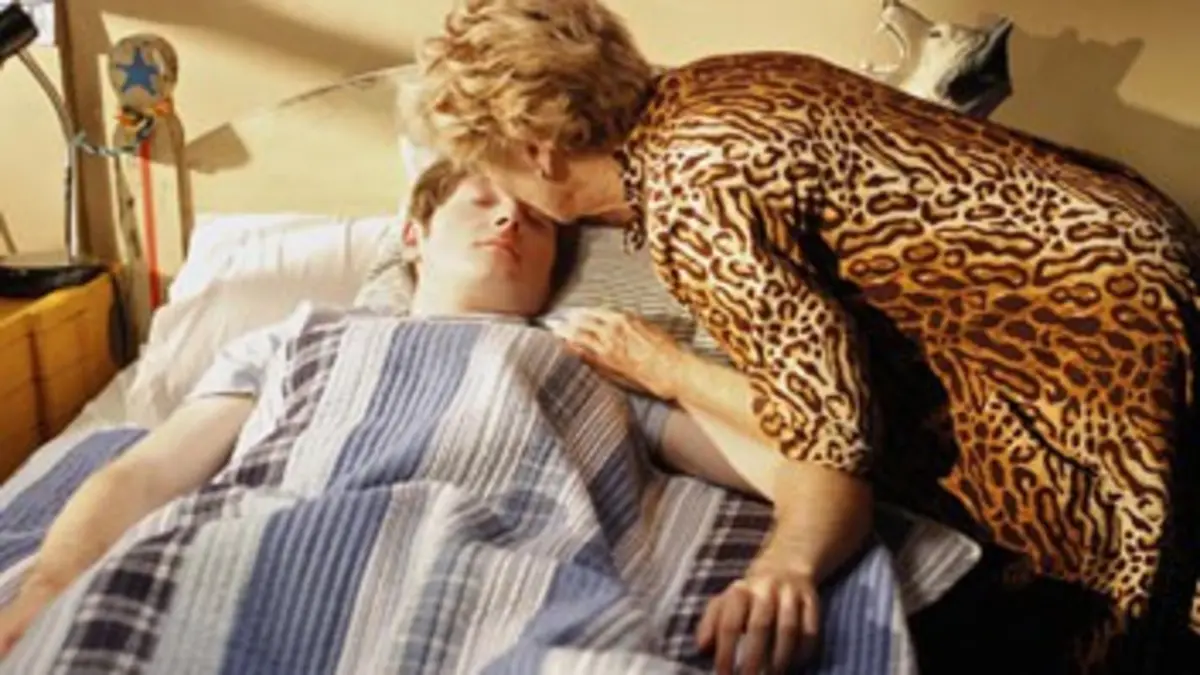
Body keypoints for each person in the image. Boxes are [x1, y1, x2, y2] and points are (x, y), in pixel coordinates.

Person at [402, 0, 1200, 669]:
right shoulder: (712, 85)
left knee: (1097, 601)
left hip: (1090, 329)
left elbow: (836, 427)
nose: (507, 199)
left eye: (493, 168)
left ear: (539, 153)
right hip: (1130, 242)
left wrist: (667, 369)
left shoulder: (693, 197)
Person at [0, 160, 872, 675]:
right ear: (413, 237)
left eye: (538, 218)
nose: (511, 215)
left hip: (505, 586)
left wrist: (786, 561)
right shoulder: (301, 336)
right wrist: (49, 582)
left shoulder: (590, 353)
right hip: (250, 553)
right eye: (482, 199)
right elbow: (148, 472)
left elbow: (818, 463)